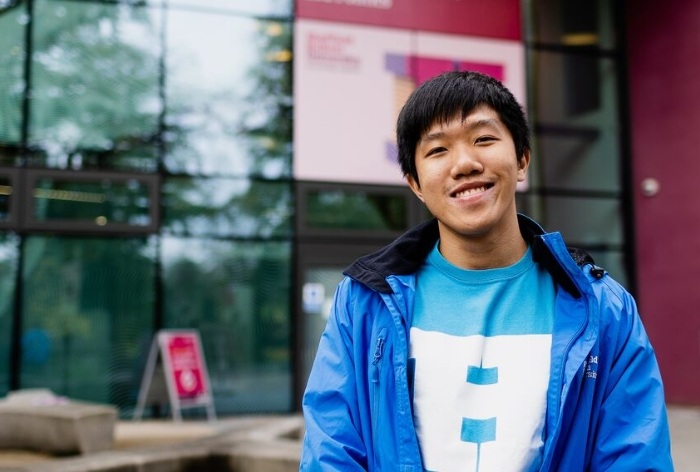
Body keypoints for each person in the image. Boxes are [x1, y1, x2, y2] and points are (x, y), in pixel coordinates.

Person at [299, 70, 673, 471]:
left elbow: (635, 457)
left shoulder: (603, 309)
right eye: (438, 150)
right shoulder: (364, 303)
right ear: (415, 184)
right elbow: (332, 452)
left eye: (484, 139)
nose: (464, 163)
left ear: (522, 159)